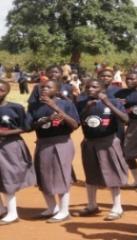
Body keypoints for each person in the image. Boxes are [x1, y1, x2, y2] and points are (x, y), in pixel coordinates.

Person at [74, 79, 129, 221]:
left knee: (112, 174)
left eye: (94, 86)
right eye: (87, 87)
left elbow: (125, 120)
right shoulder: (81, 103)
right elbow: (75, 123)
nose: (90, 89)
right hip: (89, 142)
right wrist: (86, 108)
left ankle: (117, 207)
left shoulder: (114, 101)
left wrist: (108, 104)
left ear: (103, 88)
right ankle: (92, 205)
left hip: (108, 141)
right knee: (90, 174)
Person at [28, 79, 79, 223]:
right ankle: (52, 208)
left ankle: (64, 211)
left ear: (56, 90)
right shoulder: (34, 106)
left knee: (61, 176)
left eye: (48, 87)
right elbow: (28, 126)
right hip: (43, 143)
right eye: (41, 87)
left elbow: (74, 125)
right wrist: (46, 120)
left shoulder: (66, 104)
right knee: (43, 176)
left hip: (61, 142)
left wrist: (54, 107)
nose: (43, 89)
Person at [0, 80, 36, 225]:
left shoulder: (15, 108)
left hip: (9, 146)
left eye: (1, 90)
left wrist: (5, 133)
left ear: (7, 92)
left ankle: (12, 213)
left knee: (8, 178)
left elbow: (26, 127)